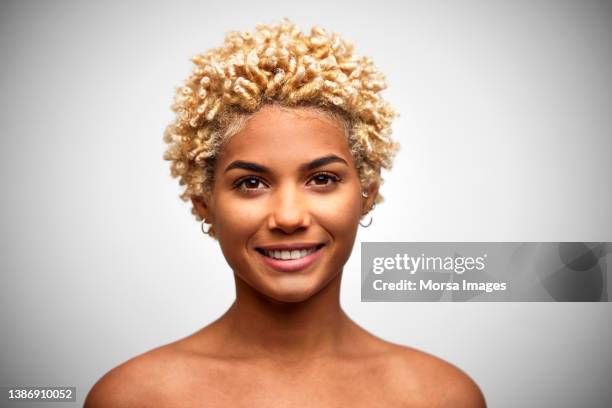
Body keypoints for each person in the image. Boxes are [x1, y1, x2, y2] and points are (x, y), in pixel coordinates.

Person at [85, 19, 486, 407]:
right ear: (204, 204)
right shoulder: (134, 397)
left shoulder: (439, 396)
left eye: (323, 178)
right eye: (251, 183)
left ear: (367, 195)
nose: (289, 217)